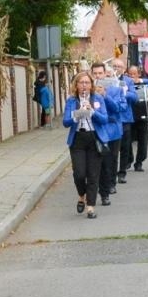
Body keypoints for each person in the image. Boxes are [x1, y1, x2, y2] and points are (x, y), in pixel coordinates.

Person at [62, 71, 107, 218]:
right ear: (76, 85)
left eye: (87, 82)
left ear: (91, 85)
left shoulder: (97, 98)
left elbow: (104, 119)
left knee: (93, 174)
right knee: (79, 174)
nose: (84, 85)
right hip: (78, 139)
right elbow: (65, 122)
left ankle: (91, 207)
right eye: (81, 82)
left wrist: (92, 111)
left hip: (94, 138)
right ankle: (81, 195)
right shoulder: (71, 100)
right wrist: (78, 114)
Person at [90, 62, 126, 204]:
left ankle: (110, 184)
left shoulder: (115, 89)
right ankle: (101, 189)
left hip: (112, 129)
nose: (98, 76)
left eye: (100, 73)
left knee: (111, 160)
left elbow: (118, 108)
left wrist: (105, 95)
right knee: (99, 161)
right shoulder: (88, 90)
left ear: (105, 74)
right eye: (95, 73)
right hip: (96, 129)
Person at [122, 63, 148, 171]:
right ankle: (128, 160)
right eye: (130, 74)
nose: (132, 76)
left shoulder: (143, 83)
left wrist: (139, 80)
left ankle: (139, 162)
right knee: (127, 140)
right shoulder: (124, 84)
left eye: (134, 74)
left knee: (143, 141)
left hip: (142, 115)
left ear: (138, 74)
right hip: (129, 116)